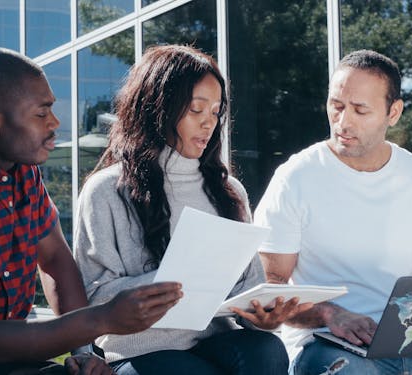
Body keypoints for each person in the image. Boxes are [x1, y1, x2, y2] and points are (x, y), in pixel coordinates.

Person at [73, 44, 312, 375]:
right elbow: (93, 295)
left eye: (215, 112)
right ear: (157, 109)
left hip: (215, 340)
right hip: (141, 352)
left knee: (267, 350)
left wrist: (264, 316)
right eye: (196, 110)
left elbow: (247, 289)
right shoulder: (106, 191)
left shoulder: (230, 192)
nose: (208, 124)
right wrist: (169, 282)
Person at [0, 47, 183, 375]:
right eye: (41, 113)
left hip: (8, 358)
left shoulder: (21, 169)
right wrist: (102, 318)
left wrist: (84, 352)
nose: (55, 123)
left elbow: (56, 260)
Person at [251, 49, 412, 374]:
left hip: (410, 345)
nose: (343, 122)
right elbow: (268, 287)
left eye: (360, 110)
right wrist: (330, 313)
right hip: (325, 343)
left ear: (393, 112)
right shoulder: (296, 178)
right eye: (337, 106)